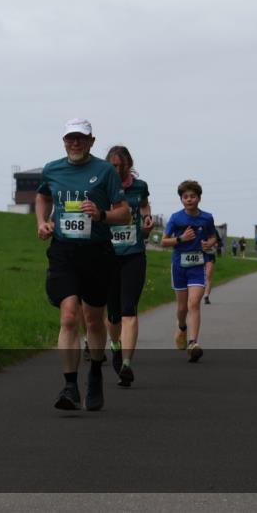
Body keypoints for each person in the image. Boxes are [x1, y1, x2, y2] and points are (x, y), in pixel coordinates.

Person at [36, 119, 129, 411]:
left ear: (91, 141)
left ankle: (96, 372)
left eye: (81, 139)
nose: (75, 143)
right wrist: (42, 222)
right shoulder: (52, 168)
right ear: (63, 141)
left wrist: (100, 214)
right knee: (68, 317)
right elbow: (42, 195)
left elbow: (124, 213)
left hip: (97, 252)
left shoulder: (103, 171)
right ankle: (70, 385)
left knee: (93, 320)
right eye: (70, 138)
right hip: (64, 251)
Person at [104, 145, 152, 387]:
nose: (118, 169)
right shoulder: (102, 186)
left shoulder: (139, 186)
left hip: (134, 254)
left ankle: (126, 365)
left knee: (128, 309)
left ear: (129, 164)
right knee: (112, 314)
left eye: (122, 165)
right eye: (113, 166)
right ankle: (114, 345)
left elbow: (144, 205)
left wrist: (146, 218)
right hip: (108, 256)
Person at [162, 180, 217, 363]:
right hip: (179, 266)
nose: (189, 199)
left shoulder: (207, 218)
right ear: (181, 200)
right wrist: (181, 238)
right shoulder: (176, 218)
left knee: (194, 304)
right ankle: (182, 327)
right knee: (182, 308)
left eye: (192, 196)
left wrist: (209, 243)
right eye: (185, 197)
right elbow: (164, 241)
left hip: (197, 266)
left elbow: (212, 237)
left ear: (199, 198)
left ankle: (193, 343)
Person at [203, 230, 222, 304]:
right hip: (199, 254)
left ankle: (206, 296)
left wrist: (217, 244)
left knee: (208, 275)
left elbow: (220, 242)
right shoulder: (196, 226)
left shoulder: (213, 230)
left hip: (210, 255)